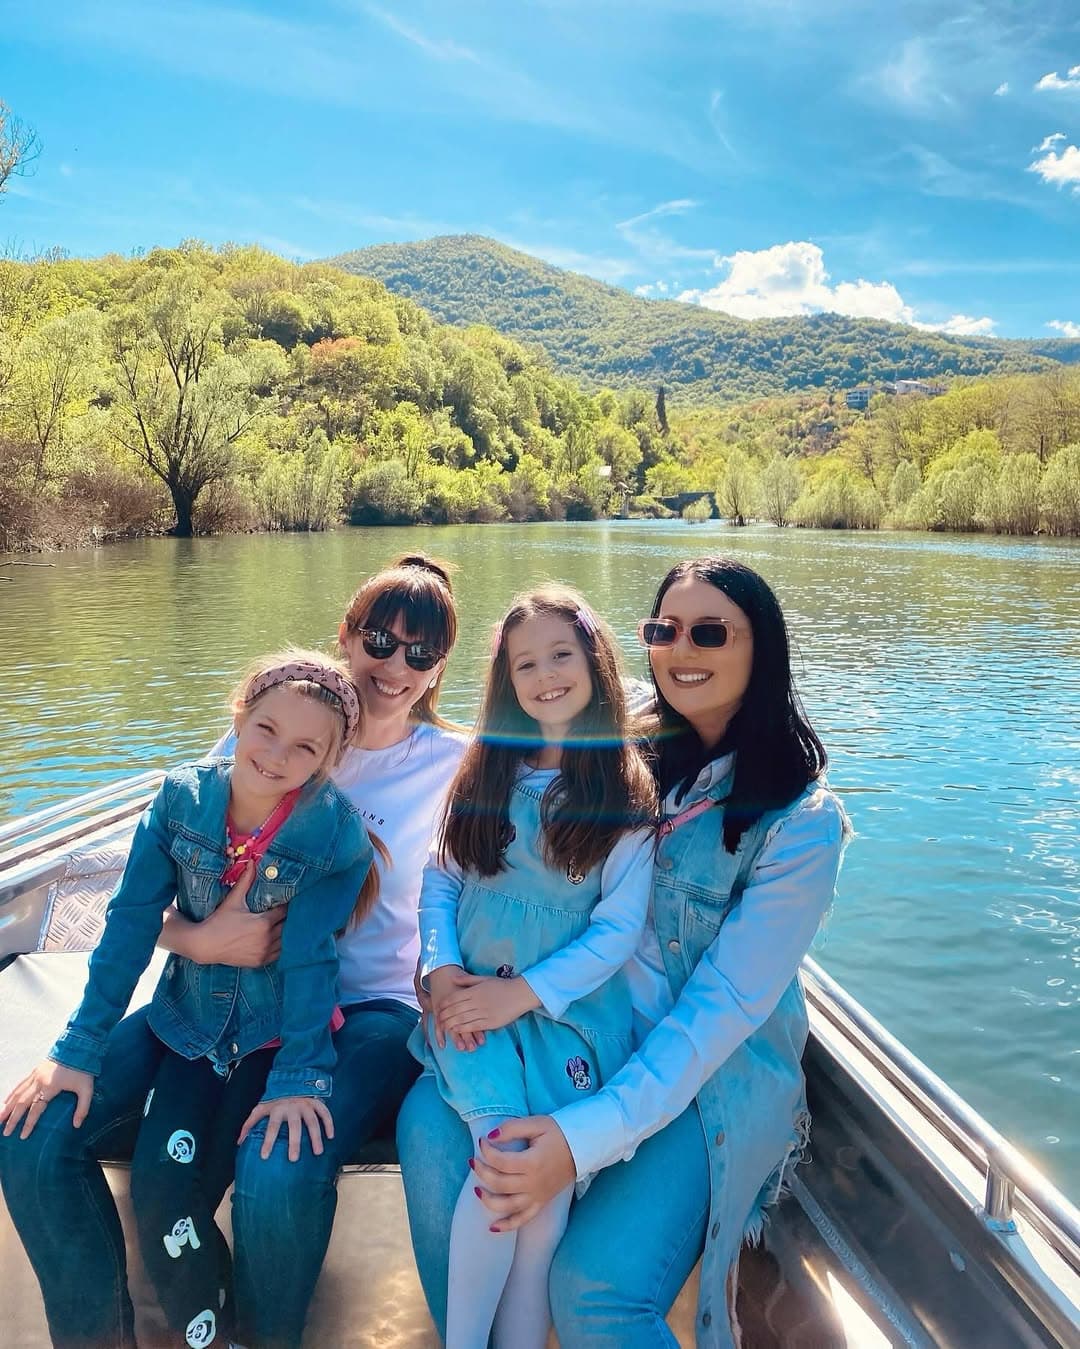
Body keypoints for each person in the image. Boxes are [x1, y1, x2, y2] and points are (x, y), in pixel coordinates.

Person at [0, 554, 463, 1349]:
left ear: (440, 667)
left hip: (370, 1006)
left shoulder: (459, 765)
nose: (396, 666)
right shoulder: (266, 733)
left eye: (421, 652)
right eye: (381, 640)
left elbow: (514, 861)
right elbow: (153, 898)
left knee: (278, 1162)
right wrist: (201, 939)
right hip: (209, 987)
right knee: (33, 1136)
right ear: (346, 635)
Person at [397, 557, 850, 1348]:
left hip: (702, 1082)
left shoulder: (800, 824)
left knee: (593, 1286)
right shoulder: (618, 734)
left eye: (710, 632)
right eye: (663, 629)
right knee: (429, 1131)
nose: (682, 650)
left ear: (764, 646)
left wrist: (578, 1141)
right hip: (561, 1027)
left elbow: (716, 1015)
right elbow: (472, 825)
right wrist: (442, 966)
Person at [410, 585, 657, 1349]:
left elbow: (617, 930)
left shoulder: (624, 792)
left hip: (561, 1017)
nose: (546, 675)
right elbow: (440, 879)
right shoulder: (486, 773)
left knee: (542, 1199)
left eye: (561, 655)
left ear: (596, 662)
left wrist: (523, 993)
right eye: (526, 664)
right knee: (503, 1164)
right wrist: (441, 968)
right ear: (505, 680)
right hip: (471, 1012)